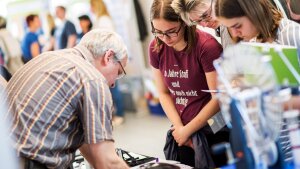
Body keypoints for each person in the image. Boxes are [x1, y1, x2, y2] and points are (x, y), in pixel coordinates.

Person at [5, 29, 129, 169]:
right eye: (118, 73)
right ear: (109, 56)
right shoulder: (93, 79)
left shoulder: (49, 58)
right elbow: (107, 162)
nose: (113, 84)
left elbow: (84, 143)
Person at [149, 0, 229, 168]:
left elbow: (218, 98)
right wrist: (180, 129)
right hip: (182, 128)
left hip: (214, 125)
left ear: (185, 23)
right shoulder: (156, 47)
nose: (165, 38)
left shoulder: (207, 47)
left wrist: (188, 130)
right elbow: (163, 93)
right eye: (158, 32)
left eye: (171, 31)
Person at [214, 0, 300, 55]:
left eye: (238, 26)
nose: (235, 34)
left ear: (253, 13)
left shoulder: (292, 35)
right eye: (229, 28)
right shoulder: (253, 42)